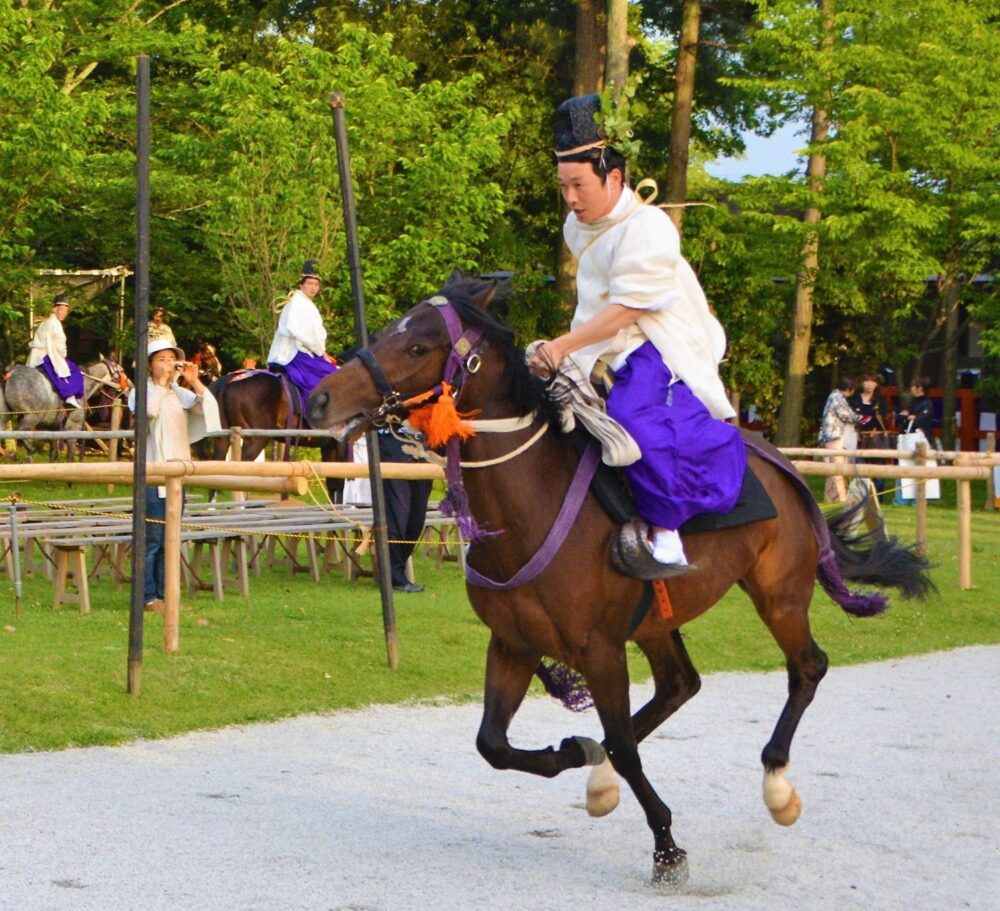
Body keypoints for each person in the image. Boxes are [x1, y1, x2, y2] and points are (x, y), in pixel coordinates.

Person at [528, 93, 745, 571]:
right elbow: (595, 305)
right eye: (563, 186)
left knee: (633, 415)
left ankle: (667, 533)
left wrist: (563, 346)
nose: (570, 198)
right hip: (602, 346)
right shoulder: (575, 226)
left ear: (615, 178)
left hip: (659, 340)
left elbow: (628, 310)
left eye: (579, 185)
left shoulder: (649, 228)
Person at [128, 338, 220, 611]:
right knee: (153, 540)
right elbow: (149, 413)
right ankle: (148, 597)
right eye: (162, 360)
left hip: (177, 478)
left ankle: (168, 596)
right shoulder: (141, 392)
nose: (168, 364)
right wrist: (162, 384)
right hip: (154, 476)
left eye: (171, 359)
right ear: (150, 365)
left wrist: (193, 381)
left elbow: (208, 411)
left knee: (171, 539)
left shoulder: (179, 394)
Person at [266, 260, 338, 407]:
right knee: (330, 376)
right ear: (301, 284)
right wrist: (321, 352)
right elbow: (300, 332)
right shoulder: (297, 303)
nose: (313, 288)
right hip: (293, 353)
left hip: (305, 349)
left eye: (316, 284)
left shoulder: (305, 303)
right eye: (309, 283)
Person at [378, 428, 433, 593]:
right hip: (393, 438)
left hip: (423, 441)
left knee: (417, 517)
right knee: (398, 511)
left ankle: (393, 570)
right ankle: (394, 576)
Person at [26, 293, 84, 410]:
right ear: (55, 309)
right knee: (72, 370)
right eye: (61, 310)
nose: (64, 313)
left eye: (65, 311)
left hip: (37, 355)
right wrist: (63, 355)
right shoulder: (54, 324)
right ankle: (69, 396)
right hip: (47, 355)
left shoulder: (46, 322)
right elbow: (60, 346)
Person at [895, 376, 940, 503]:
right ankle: (902, 499)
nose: (911, 389)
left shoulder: (927, 404)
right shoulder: (913, 402)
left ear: (920, 388)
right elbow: (902, 418)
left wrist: (910, 417)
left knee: (919, 468)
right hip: (909, 438)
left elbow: (919, 420)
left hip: (919, 438)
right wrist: (907, 417)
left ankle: (917, 499)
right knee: (903, 467)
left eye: (913, 386)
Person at [818, 375, 859, 503]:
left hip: (830, 436)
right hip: (834, 436)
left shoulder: (834, 396)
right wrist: (859, 418)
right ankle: (841, 498)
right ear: (850, 389)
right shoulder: (838, 397)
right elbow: (845, 414)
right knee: (837, 469)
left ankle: (830, 498)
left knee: (832, 469)